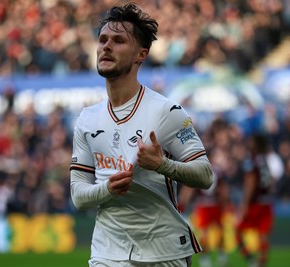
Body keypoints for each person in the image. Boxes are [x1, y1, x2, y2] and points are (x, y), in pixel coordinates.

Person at [69, 3, 214, 267]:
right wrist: (107, 189)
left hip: (163, 252)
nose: (106, 46)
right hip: (107, 252)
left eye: (118, 40)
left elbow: (205, 175)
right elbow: (78, 195)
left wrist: (162, 165)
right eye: (102, 40)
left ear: (141, 54)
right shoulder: (87, 119)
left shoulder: (166, 112)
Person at [236, 133, 277, 267]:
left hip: (255, 204)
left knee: (237, 231)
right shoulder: (264, 159)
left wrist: (244, 205)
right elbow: (270, 181)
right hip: (266, 202)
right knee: (263, 237)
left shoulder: (251, 159)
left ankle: (251, 261)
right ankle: (261, 264)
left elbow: (250, 183)